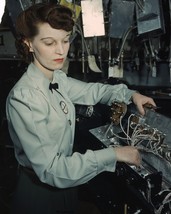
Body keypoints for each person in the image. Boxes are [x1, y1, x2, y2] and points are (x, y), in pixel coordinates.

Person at [6, 2, 156, 214]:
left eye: (65, 40)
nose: (61, 50)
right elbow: (52, 171)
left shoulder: (56, 78)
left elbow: (94, 92)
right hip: (40, 193)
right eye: (49, 43)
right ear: (28, 43)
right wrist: (114, 154)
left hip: (68, 185)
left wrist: (131, 95)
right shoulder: (25, 98)